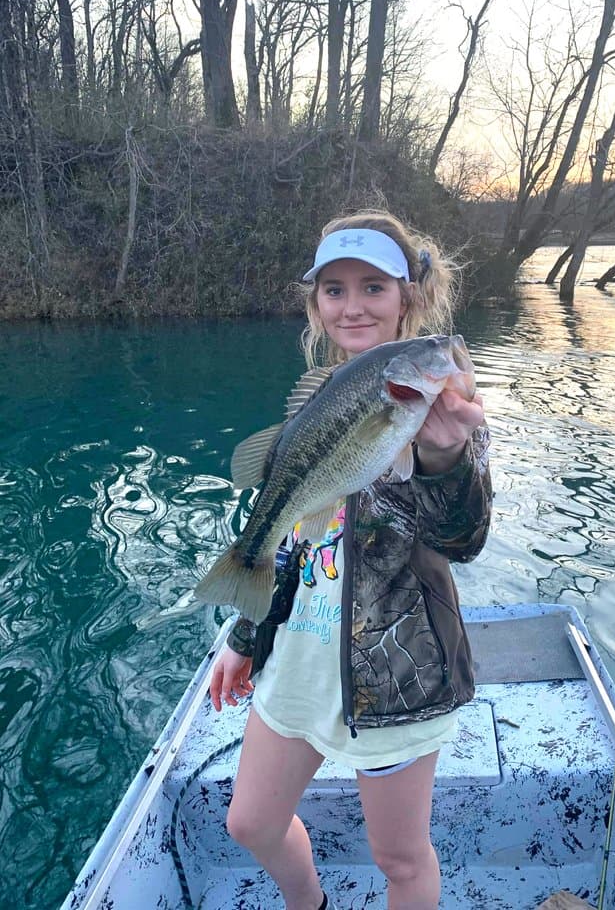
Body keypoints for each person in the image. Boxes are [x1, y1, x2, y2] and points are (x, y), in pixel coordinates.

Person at [208, 210, 492, 910]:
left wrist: (445, 457)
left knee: (398, 856)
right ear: (315, 304)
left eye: (373, 286)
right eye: (334, 289)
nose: (353, 304)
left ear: (407, 297)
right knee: (251, 822)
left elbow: (463, 538)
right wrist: (245, 637)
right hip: (301, 653)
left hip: (397, 672)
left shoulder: (445, 406)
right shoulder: (322, 397)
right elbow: (285, 537)